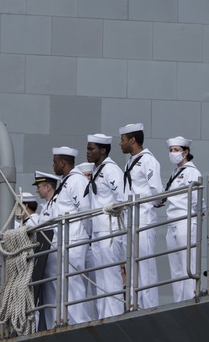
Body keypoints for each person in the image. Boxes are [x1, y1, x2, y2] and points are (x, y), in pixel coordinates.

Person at [119, 122, 163, 309]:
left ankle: (149, 306)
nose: (120, 144)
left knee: (145, 265)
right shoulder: (129, 162)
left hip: (143, 218)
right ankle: (134, 303)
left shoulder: (148, 161)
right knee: (133, 265)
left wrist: (149, 205)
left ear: (133, 140)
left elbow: (157, 191)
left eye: (123, 140)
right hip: (131, 219)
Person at [84, 133, 126, 318]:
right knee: (99, 277)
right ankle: (102, 315)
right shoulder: (96, 170)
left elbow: (122, 198)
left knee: (110, 275)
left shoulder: (111, 170)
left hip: (110, 228)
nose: (88, 152)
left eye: (91, 148)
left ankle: (114, 314)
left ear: (103, 150)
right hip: (98, 230)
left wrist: (113, 211)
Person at [53, 147, 93, 325]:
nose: (53, 165)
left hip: (75, 239)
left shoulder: (77, 180)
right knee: (66, 284)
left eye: (54, 161)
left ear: (62, 163)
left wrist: (84, 235)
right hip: (65, 240)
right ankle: (68, 319)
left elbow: (84, 211)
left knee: (74, 283)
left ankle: (78, 322)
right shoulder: (66, 181)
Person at [163, 136, 202, 302]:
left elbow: (196, 198)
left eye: (176, 150)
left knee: (188, 264)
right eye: (171, 150)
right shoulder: (175, 173)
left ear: (185, 152)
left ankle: (190, 297)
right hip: (172, 221)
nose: (173, 153)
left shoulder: (191, 172)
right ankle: (179, 300)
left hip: (184, 220)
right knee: (176, 268)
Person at [31, 171, 63, 331]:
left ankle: (54, 325)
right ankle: (48, 326)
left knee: (54, 293)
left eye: (39, 187)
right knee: (46, 295)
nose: (37, 190)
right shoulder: (47, 206)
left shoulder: (58, 205)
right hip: (46, 257)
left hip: (54, 254)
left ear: (48, 187)